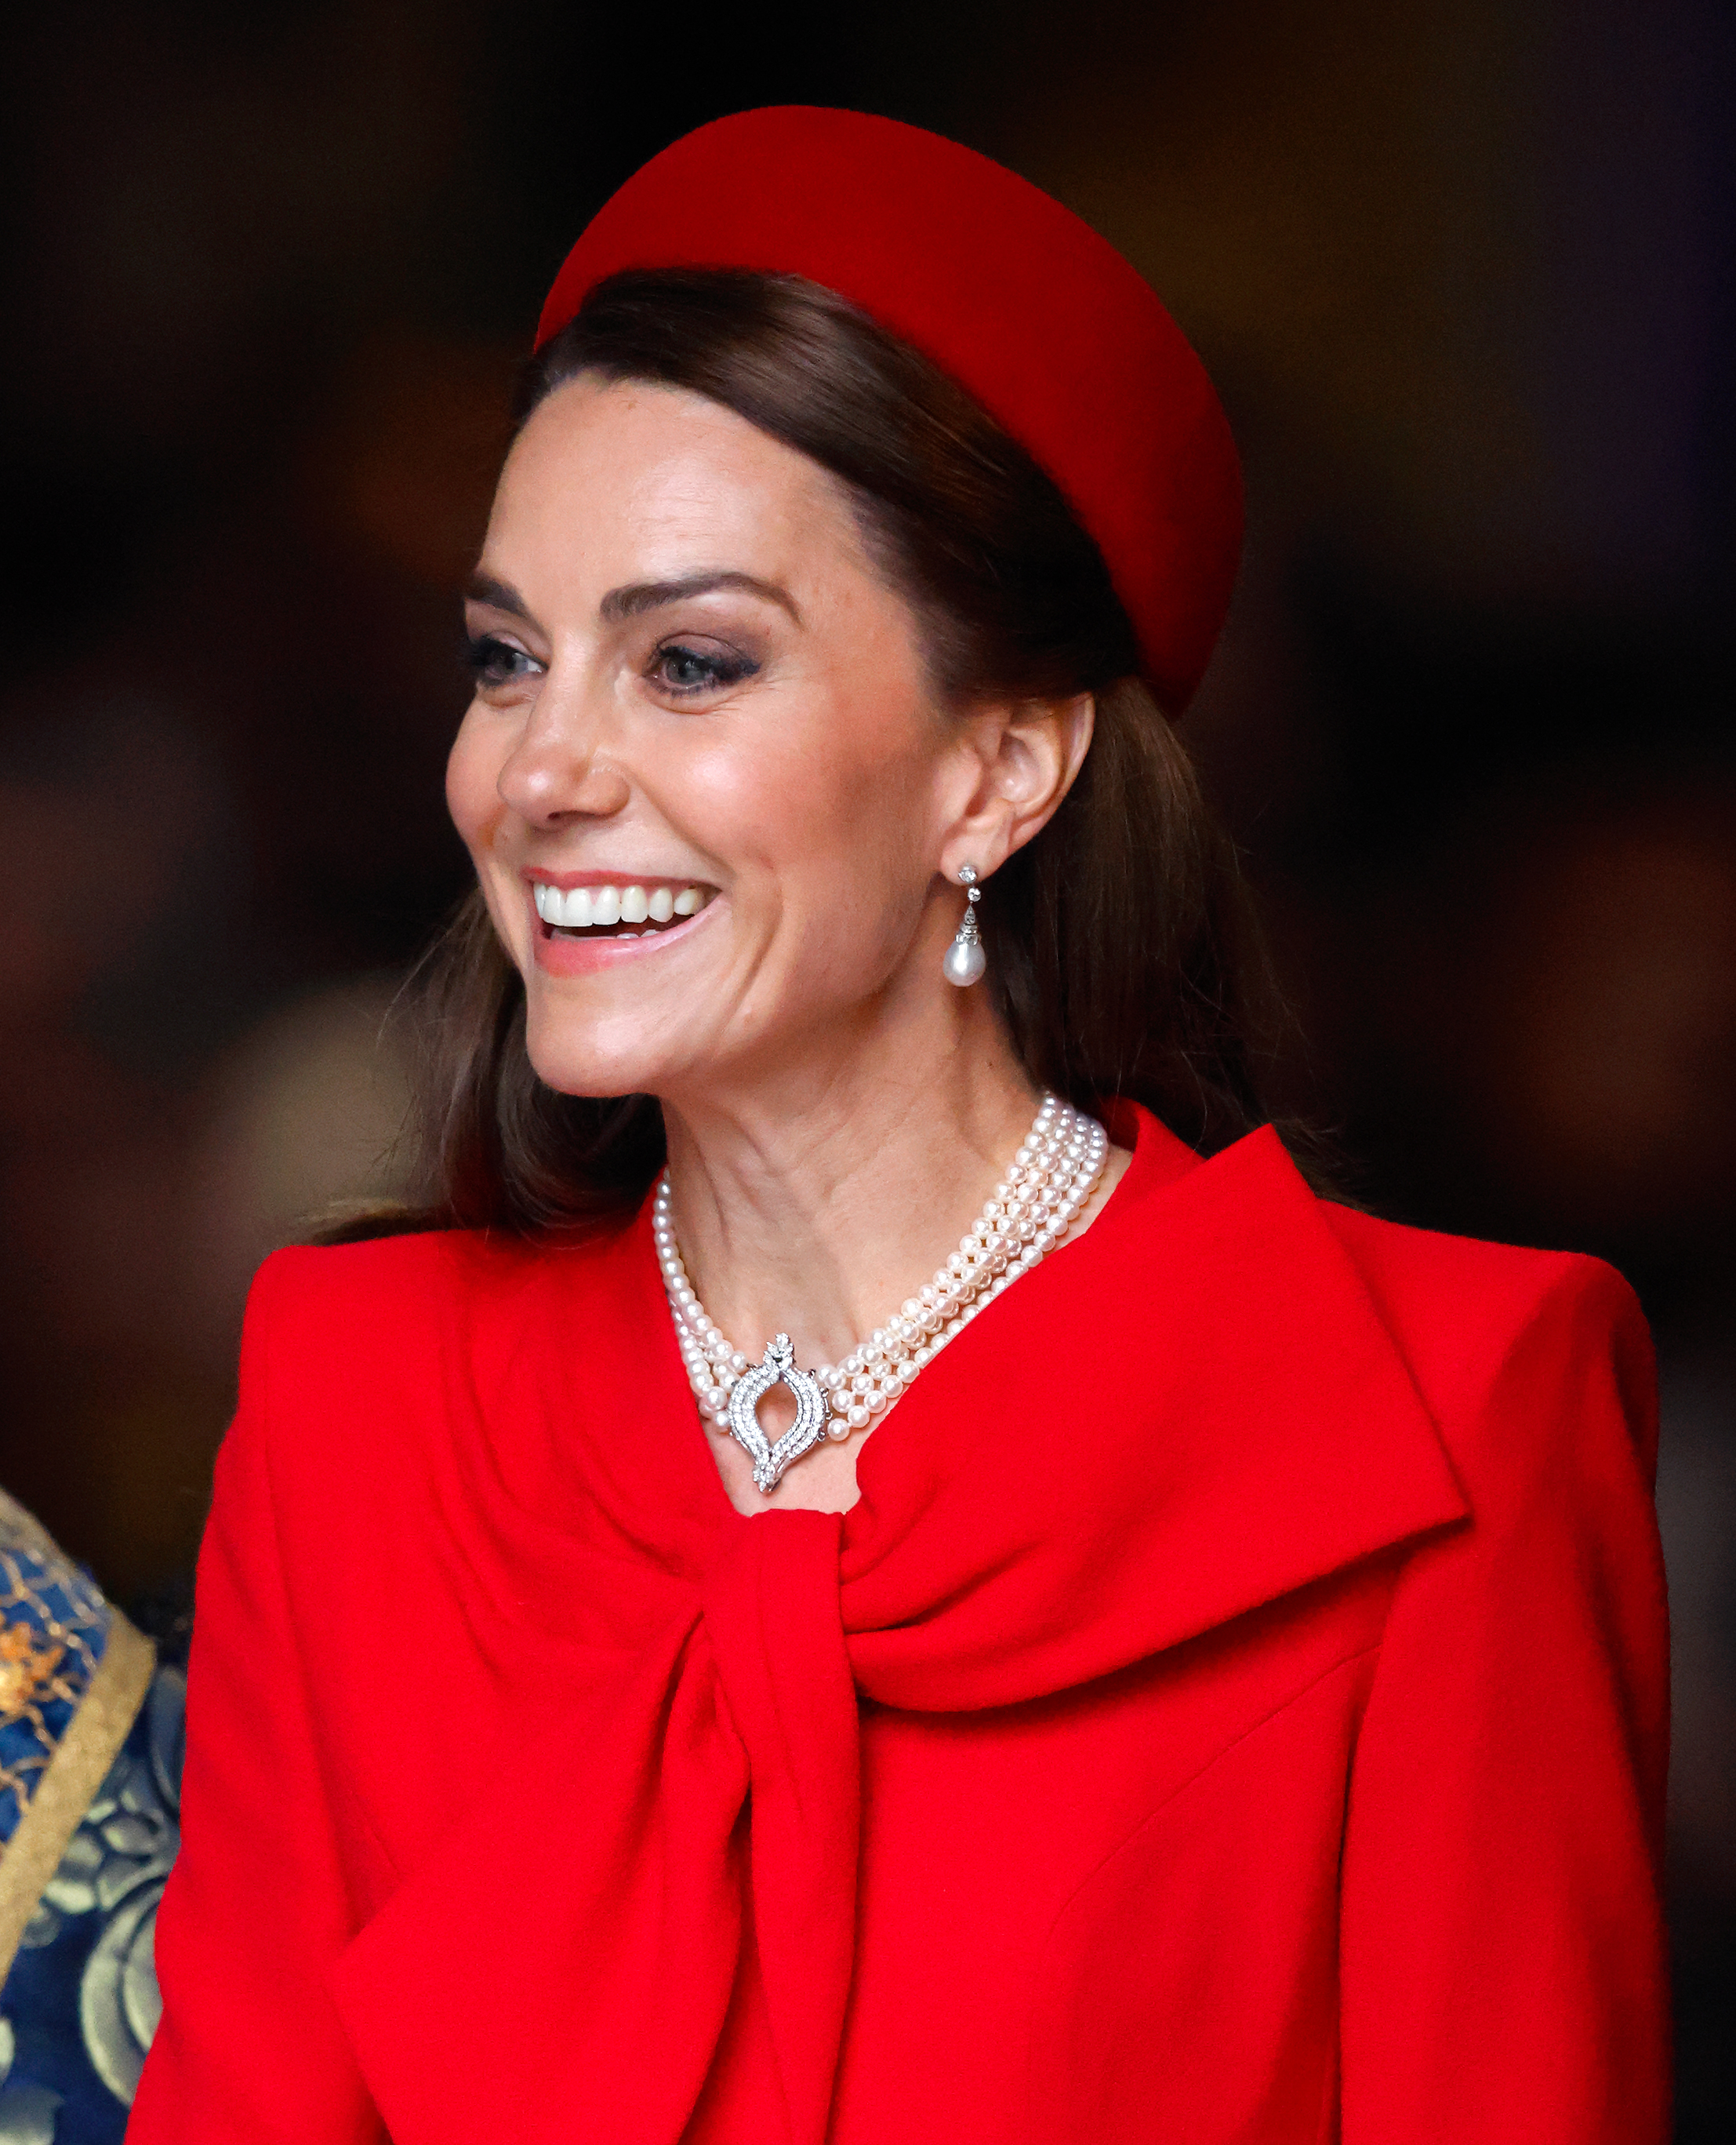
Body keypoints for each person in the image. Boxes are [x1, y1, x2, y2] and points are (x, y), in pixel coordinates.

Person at [129, 107, 1669, 2144]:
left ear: (999, 772)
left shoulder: (1444, 1423)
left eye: (689, 663)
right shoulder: (359, 1404)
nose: (542, 770)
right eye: (506, 658)